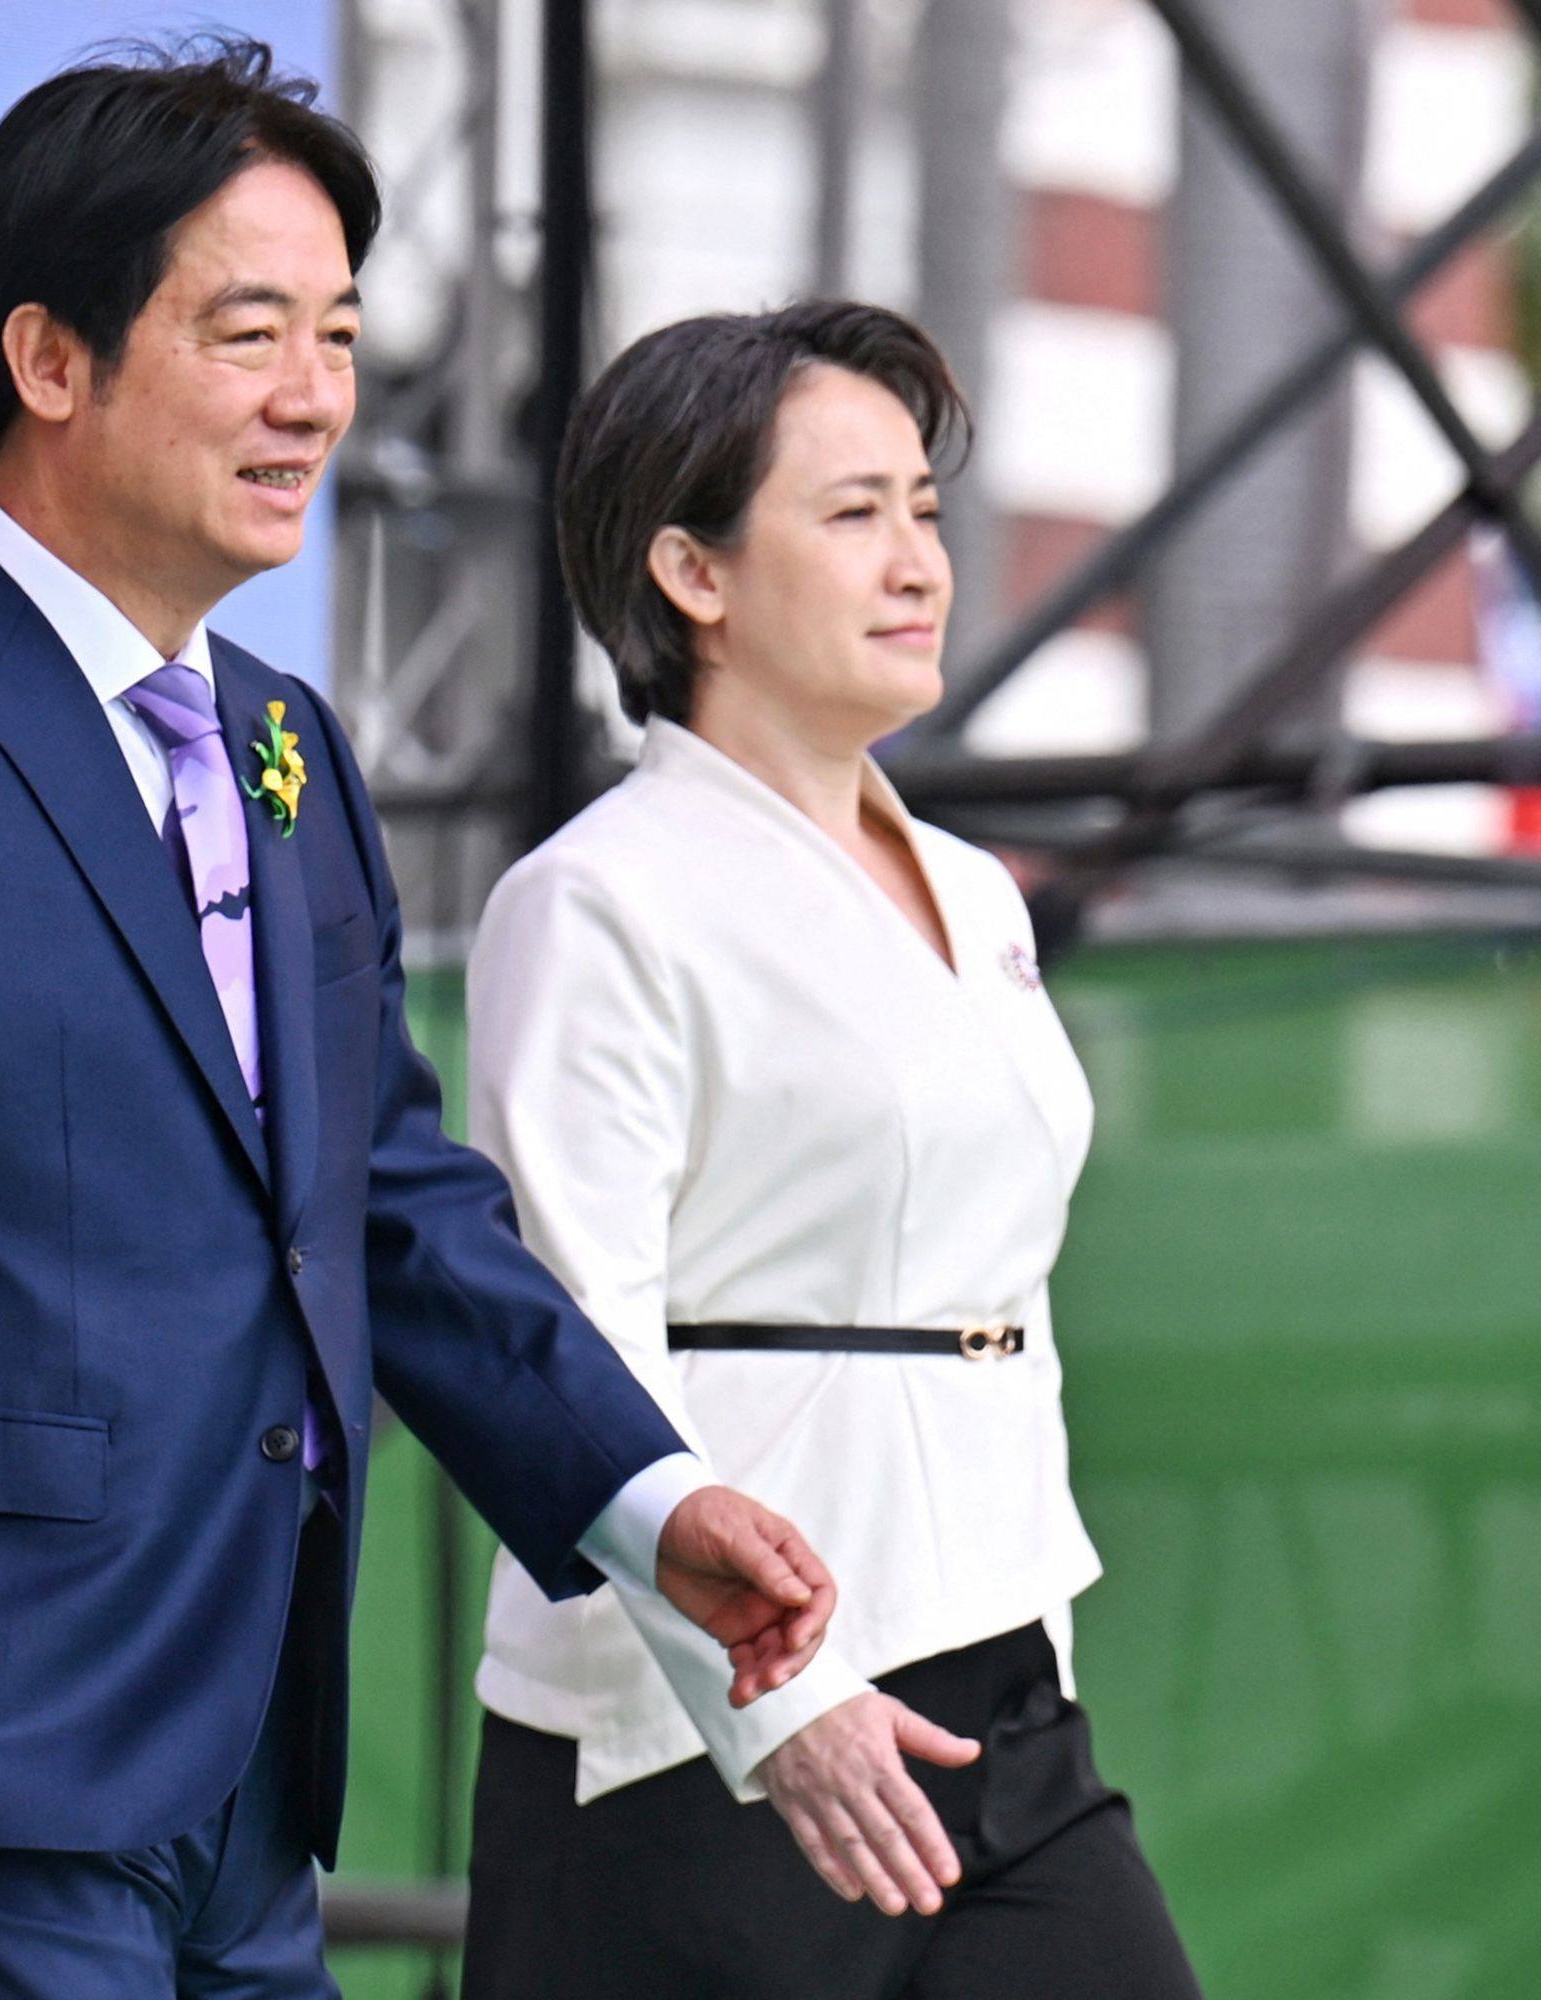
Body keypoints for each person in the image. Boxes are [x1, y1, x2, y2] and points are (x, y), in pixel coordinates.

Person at [0, 39, 844, 1997]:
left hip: (249, 1752)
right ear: (49, 358)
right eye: (249, 332)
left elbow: (389, 1200)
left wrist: (640, 1500)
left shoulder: (285, 745)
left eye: (340, 337)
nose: (314, 402)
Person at [456, 300, 1201, 1998]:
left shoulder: (974, 890)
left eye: (923, 511)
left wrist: (1036, 1641)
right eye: (852, 514)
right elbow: (574, 1338)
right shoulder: (593, 898)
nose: (918, 561)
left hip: (1002, 1697)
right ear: (692, 576)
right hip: (692, 1739)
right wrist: (775, 1701)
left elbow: (994, 1294)